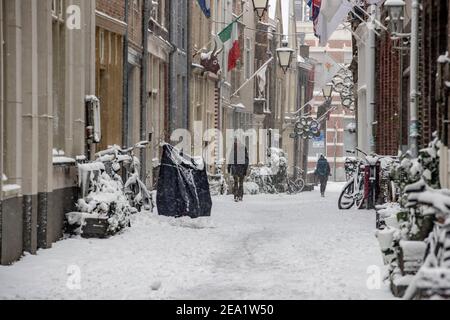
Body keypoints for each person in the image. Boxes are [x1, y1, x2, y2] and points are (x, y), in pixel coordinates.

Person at [228, 138, 249, 202]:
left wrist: (229, 167)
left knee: (239, 182)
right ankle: (238, 196)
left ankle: (238, 196)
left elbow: (246, 159)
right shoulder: (235, 148)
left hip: (239, 168)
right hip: (238, 168)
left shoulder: (238, 148)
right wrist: (229, 167)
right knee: (237, 182)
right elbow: (231, 158)